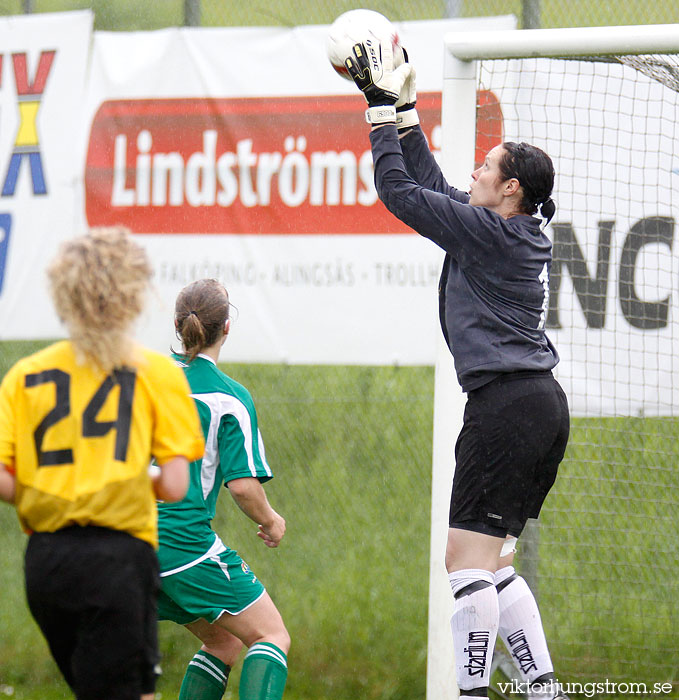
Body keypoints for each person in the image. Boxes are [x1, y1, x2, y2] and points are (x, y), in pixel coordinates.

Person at [345, 42, 570, 700]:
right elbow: (430, 190)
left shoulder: (491, 234)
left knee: (463, 564)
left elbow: (396, 191)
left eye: (486, 166)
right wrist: (405, 111)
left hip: (504, 411)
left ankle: (470, 694)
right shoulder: (503, 228)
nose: (474, 169)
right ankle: (542, 691)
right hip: (536, 409)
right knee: (491, 562)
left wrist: (377, 107)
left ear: (511, 190)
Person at [0, 227, 205, 700]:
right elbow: (175, 485)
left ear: (62, 292)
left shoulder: (25, 375)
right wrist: (127, 479)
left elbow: (6, 481)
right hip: (117, 560)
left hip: (46, 564)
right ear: (134, 293)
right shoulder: (156, 373)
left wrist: (56, 483)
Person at [156, 278, 290, 700]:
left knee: (223, 641)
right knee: (271, 636)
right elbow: (243, 487)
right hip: (179, 542)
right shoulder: (228, 397)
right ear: (227, 328)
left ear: (177, 325)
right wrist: (271, 521)